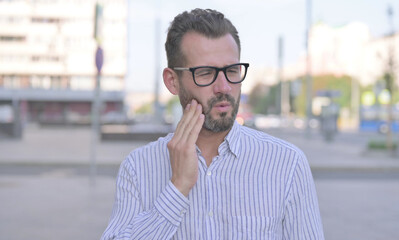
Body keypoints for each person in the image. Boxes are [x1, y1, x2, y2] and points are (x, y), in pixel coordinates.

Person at [101, 8, 324, 240]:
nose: (224, 87)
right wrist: (177, 188)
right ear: (172, 81)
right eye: (206, 73)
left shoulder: (287, 164)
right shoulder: (138, 168)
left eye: (232, 71)